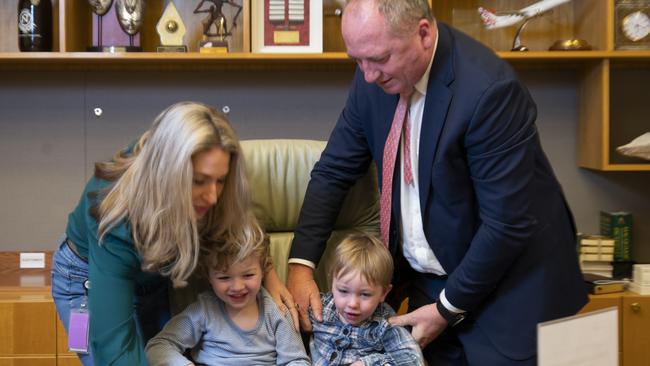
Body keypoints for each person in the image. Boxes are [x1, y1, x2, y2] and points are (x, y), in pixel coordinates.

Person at [286, 0, 588, 364]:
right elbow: (334, 170)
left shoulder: (488, 91)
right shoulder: (374, 70)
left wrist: (447, 307)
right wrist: (301, 264)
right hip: (432, 282)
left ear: (423, 34)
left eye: (378, 60)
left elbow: (508, 223)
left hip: (512, 289)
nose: (367, 75)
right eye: (357, 60)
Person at [51, 101, 296, 365]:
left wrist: (269, 274)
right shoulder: (116, 211)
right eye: (199, 181)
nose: (213, 196)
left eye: (221, 180)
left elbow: (239, 226)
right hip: (86, 280)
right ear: (168, 174)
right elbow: (115, 347)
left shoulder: (208, 183)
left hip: (155, 278)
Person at [145, 235, 310, 366]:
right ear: (209, 277)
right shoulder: (204, 310)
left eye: (248, 275)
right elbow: (158, 346)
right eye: (224, 277)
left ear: (263, 270)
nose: (237, 286)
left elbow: (296, 360)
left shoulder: (277, 311)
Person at [309, 232, 424, 366]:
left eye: (365, 294)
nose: (352, 304)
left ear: (383, 293)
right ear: (332, 284)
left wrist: (367, 363)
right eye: (343, 291)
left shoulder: (385, 323)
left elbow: (412, 359)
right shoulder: (319, 309)